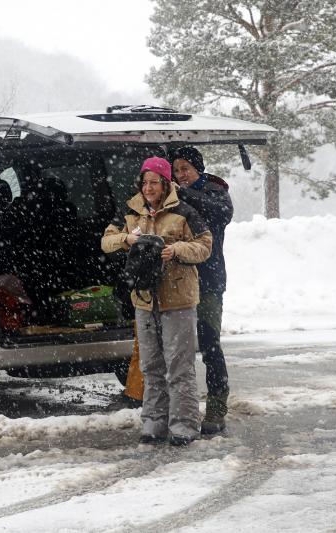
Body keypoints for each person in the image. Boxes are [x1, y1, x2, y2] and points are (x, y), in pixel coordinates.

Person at [102, 156, 212, 446]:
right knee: (151, 366)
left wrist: (176, 250)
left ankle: (184, 425)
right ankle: (153, 423)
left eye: (154, 182)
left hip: (178, 299)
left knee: (179, 366)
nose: (148, 188)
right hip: (144, 299)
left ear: (165, 183)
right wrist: (127, 240)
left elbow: (204, 245)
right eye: (145, 182)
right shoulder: (130, 211)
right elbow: (106, 240)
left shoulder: (184, 211)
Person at [170, 146, 234, 435]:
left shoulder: (214, 190)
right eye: (176, 169)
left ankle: (217, 408)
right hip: (178, 282)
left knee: (210, 346)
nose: (180, 175)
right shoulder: (170, 193)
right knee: (177, 351)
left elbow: (222, 213)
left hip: (208, 283)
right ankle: (180, 410)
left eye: (185, 168)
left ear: (198, 168)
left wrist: (182, 193)